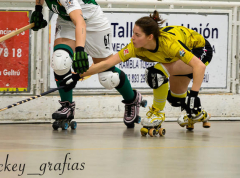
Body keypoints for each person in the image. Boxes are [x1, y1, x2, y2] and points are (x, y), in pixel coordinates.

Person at [30, 0, 145, 129]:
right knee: (60, 61)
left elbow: (80, 22)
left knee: (108, 77)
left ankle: (132, 99)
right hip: (67, 22)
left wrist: (80, 50)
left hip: (92, 23)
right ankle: (67, 107)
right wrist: (38, 10)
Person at [60, 10, 212, 132]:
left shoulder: (169, 45)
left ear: (149, 37)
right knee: (176, 100)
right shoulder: (134, 48)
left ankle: (157, 113)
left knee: (156, 74)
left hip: (200, 50)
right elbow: (107, 63)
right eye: (133, 33)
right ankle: (197, 113)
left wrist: (194, 95)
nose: (132, 38)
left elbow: (199, 66)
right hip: (177, 59)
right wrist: (78, 76)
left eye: (137, 35)